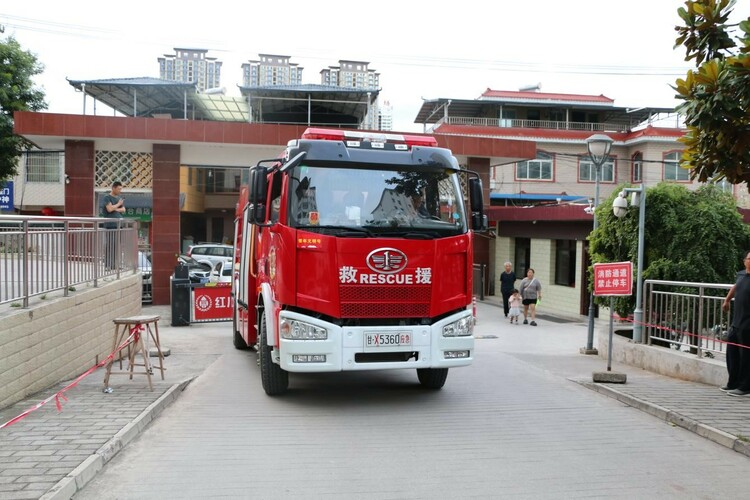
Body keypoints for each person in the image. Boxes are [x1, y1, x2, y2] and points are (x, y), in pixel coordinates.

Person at [721, 251, 750, 396]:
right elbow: (736, 286)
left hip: (748, 323)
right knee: (732, 353)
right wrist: (727, 300)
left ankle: (745, 386)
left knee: (746, 355)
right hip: (736, 321)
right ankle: (733, 382)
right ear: (744, 261)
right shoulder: (741, 275)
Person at [102, 181, 125, 269]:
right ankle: (108, 265)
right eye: (119, 189)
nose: (120, 191)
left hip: (119, 225)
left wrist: (115, 208)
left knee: (116, 246)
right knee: (110, 245)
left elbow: (123, 210)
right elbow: (109, 209)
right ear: (113, 188)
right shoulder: (107, 197)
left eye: (121, 189)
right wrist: (118, 205)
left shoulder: (118, 198)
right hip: (110, 225)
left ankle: (115, 264)